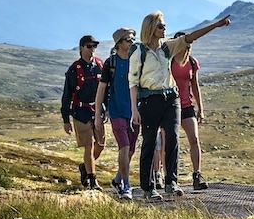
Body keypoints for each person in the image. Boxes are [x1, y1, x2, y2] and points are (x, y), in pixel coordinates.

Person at [129, 11, 231, 199]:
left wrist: (215, 25)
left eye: (164, 25)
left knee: (173, 139)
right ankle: (148, 187)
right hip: (149, 100)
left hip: (171, 99)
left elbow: (190, 38)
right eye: (161, 26)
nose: (164, 28)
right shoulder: (139, 52)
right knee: (150, 142)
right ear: (151, 28)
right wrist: (134, 109)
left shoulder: (167, 47)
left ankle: (171, 183)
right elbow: (133, 83)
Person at [95, 27, 139, 199]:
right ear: (119, 43)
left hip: (135, 111)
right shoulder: (110, 63)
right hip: (116, 111)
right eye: (128, 39)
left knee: (131, 149)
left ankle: (118, 178)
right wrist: (98, 114)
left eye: (133, 39)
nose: (132, 42)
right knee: (124, 146)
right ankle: (126, 186)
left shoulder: (137, 60)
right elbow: (101, 90)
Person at [62, 34, 105, 189]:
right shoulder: (74, 69)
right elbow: (67, 95)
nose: (92, 49)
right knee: (89, 145)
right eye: (89, 46)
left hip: (97, 111)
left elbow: (105, 90)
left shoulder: (100, 65)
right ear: (81, 48)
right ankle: (92, 180)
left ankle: (85, 167)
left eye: (94, 46)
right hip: (81, 112)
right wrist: (66, 119)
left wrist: (105, 110)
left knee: (100, 145)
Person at [170, 31, 209, 190]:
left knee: (194, 138)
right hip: (170, 106)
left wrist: (201, 108)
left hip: (187, 106)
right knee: (169, 143)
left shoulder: (192, 62)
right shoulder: (168, 60)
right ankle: (170, 178)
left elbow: (195, 85)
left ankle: (197, 174)